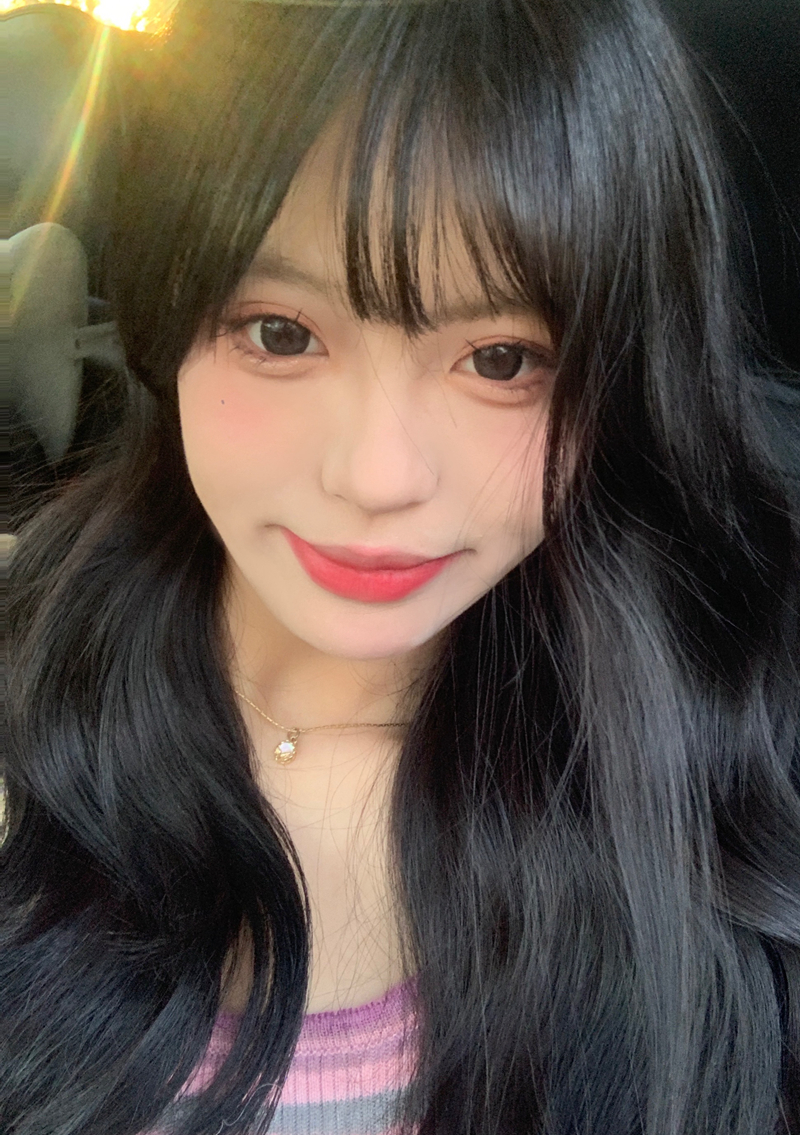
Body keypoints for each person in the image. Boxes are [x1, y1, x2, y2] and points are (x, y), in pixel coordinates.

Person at [4, 0, 799, 1132]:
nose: (377, 476)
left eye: (501, 358)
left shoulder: (721, 743)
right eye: (280, 333)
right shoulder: (30, 696)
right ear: (167, 317)